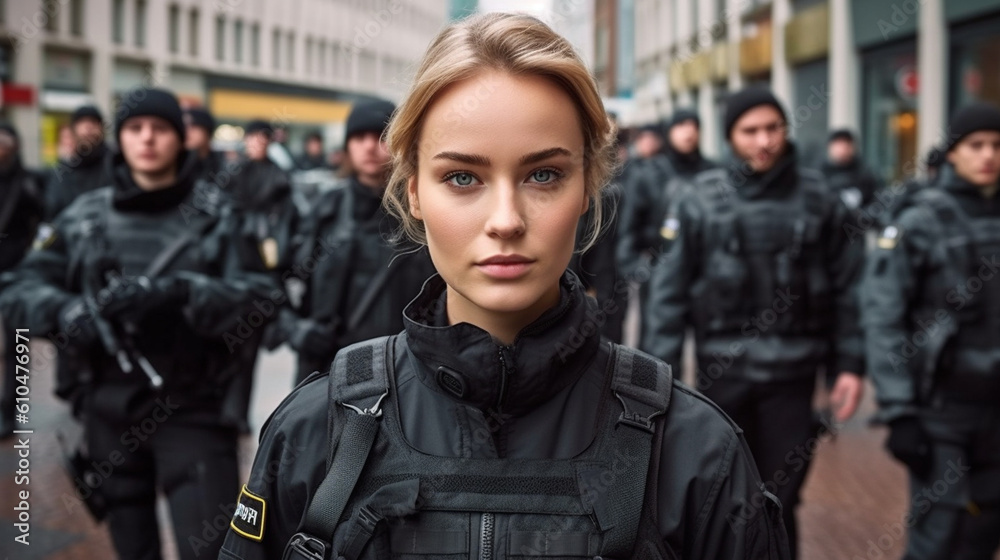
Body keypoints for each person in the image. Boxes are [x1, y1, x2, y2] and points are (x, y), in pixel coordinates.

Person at [220, 13, 789, 560]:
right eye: (462, 177)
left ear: (588, 186)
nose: (506, 219)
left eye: (543, 174)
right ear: (414, 190)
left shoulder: (695, 452)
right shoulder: (314, 434)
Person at [0, 88, 274, 560]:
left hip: (193, 410)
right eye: (134, 128)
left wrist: (179, 293)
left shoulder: (219, 217)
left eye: (160, 128)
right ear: (120, 138)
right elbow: (18, 289)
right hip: (108, 411)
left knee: (209, 549)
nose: (147, 138)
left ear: (180, 138)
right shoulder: (84, 217)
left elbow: (262, 299)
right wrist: (67, 312)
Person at [641, 87, 865, 558]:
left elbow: (848, 288)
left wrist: (849, 364)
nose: (763, 141)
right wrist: (653, 385)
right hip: (723, 377)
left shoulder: (820, 198)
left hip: (793, 377)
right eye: (750, 131)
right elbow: (668, 296)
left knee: (782, 500)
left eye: (773, 128)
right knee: (722, 499)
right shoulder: (698, 199)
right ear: (730, 136)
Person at [862, 102, 1000, 560]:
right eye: (976, 145)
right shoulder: (920, 220)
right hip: (941, 407)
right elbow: (883, 315)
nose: (989, 156)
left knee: (985, 531)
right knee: (939, 531)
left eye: (998, 146)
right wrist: (900, 411)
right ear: (953, 153)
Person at [272, 100, 435, 385]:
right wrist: (296, 329)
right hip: (327, 372)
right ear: (347, 146)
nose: (370, 146)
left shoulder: (423, 212)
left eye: (381, 136)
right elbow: (273, 282)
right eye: (360, 137)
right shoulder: (324, 210)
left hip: (404, 377)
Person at [225, 118, 300, 431]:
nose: (256, 143)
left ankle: (237, 413)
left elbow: (288, 227)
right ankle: (227, 409)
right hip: (232, 271)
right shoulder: (234, 175)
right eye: (251, 137)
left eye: (261, 138)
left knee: (248, 349)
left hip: (261, 272)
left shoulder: (279, 178)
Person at [617, 110, 717, 280]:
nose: (688, 132)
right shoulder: (650, 173)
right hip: (660, 268)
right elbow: (630, 226)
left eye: (694, 126)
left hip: (706, 272)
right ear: (669, 131)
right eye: (681, 125)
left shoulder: (713, 172)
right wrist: (637, 268)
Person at [0, 124, 45, 440]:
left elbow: (45, 225)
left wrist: (32, 259)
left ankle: (11, 411)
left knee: (17, 344)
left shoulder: (29, 181)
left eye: (5, 140)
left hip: (18, 272)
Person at [45, 104, 113, 221]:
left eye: (94, 122)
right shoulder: (62, 171)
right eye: (82, 123)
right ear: (73, 130)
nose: (88, 128)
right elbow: (52, 212)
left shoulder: (115, 163)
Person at [820, 128, 881, 212]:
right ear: (830, 147)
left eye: (846, 145)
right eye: (839, 145)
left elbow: (876, 200)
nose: (842, 150)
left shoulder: (865, 173)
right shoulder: (819, 173)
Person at [184, 107, 225, 180]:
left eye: (193, 126)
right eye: (184, 126)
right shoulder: (177, 163)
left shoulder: (223, 164)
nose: (187, 132)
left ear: (207, 131)